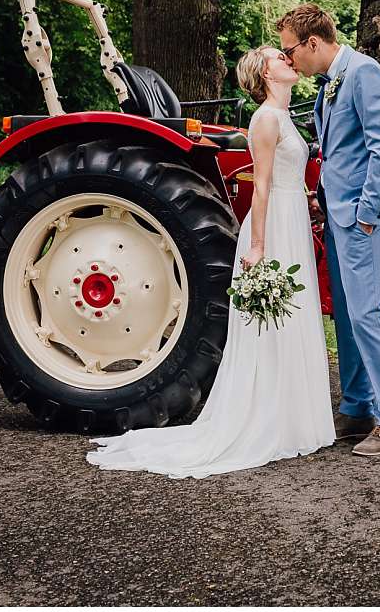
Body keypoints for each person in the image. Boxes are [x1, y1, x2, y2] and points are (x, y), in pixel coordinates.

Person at [86, 46, 335, 478]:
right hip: (273, 226)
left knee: (291, 320)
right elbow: (260, 188)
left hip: (292, 217)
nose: (288, 60)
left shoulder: (285, 116)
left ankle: (295, 417)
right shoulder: (265, 119)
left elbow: (290, 178)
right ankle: (268, 419)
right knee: (271, 325)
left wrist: (310, 205)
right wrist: (257, 246)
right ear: (265, 73)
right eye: (280, 57)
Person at [277, 2, 380, 457]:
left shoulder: (364, 72)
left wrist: (365, 212)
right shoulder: (332, 80)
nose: (289, 60)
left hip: (364, 214)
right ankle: (357, 407)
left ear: (313, 43)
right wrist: (323, 195)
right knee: (347, 312)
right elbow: (341, 150)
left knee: (367, 312)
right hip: (340, 212)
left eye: (290, 51)